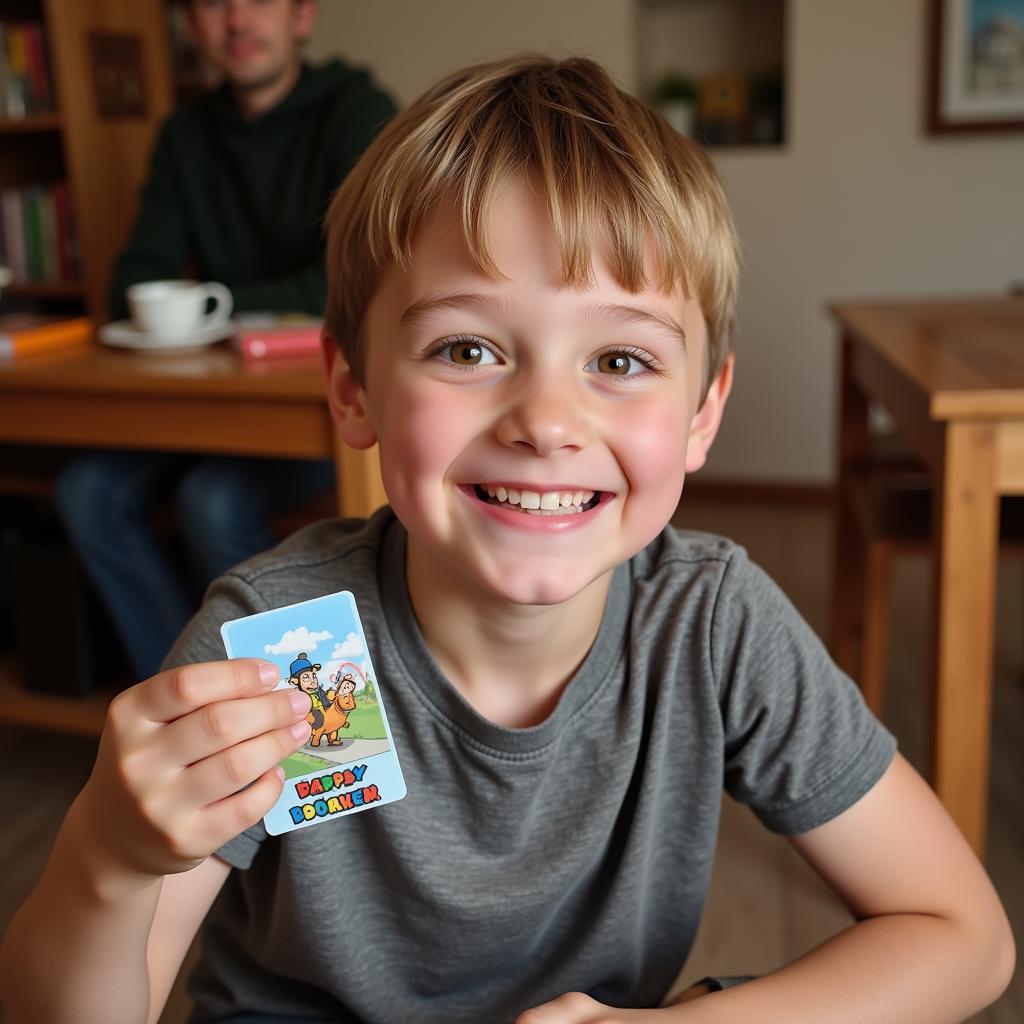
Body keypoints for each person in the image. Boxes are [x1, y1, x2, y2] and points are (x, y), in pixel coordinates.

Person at [1, 56, 1014, 1024]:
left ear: (703, 414)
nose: (546, 419)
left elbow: (961, 936)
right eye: (468, 348)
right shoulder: (301, 647)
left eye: (618, 357)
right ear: (352, 388)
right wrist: (107, 853)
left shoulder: (707, 625)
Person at [53, 0, 397, 680]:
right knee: (86, 492)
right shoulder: (185, 133)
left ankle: (297, 730)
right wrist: (234, 313)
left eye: (261, 0)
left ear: (303, 16)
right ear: (191, 24)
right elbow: (136, 280)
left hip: (328, 396)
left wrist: (217, 306)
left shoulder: (358, 113)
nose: (238, 21)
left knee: (213, 500)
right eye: (214, 3)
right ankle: (184, 697)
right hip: (210, 398)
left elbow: (357, 278)